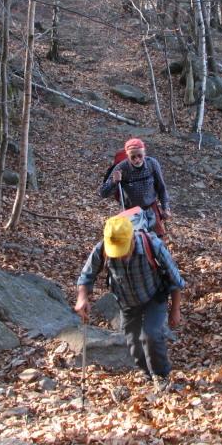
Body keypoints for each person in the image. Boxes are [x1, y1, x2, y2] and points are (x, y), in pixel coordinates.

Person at [74, 215, 185, 390]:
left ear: (132, 239)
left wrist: (175, 310)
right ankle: (148, 374)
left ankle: (161, 376)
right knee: (134, 342)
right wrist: (82, 298)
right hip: (126, 302)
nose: (120, 254)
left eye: (123, 249)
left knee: (151, 334)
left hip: (153, 296)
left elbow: (175, 280)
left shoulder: (153, 245)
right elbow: (86, 276)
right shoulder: (103, 248)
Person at [99, 138, 171, 237]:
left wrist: (165, 208)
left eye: (140, 156)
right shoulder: (121, 168)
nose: (137, 160)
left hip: (151, 207)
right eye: (133, 157)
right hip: (131, 211)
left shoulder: (152, 164)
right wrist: (113, 181)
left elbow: (162, 188)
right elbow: (103, 193)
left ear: (144, 153)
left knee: (158, 240)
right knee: (136, 243)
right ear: (127, 156)